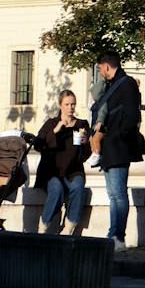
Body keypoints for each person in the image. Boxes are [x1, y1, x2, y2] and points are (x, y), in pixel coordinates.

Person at [88, 49, 144, 252]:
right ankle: (114, 234)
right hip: (111, 147)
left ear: (106, 66)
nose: (100, 72)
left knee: (118, 194)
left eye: (100, 68)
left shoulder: (126, 84)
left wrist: (114, 135)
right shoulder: (115, 84)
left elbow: (131, 116)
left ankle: (117, 236)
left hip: (118, 147)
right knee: (113, 194)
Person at [35, 89, 91, 236]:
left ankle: (69, 227)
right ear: (60, 105)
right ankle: (43, 227)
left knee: (78, 187)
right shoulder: (51, 123)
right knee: (57, 189)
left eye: (73, 104)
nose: (70, 108)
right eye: (67, 104)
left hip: (73, 170)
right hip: (52, 170)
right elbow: (38, 145)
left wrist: (85, 143)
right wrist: (56, 130)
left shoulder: (82, 124)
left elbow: (85, 155)